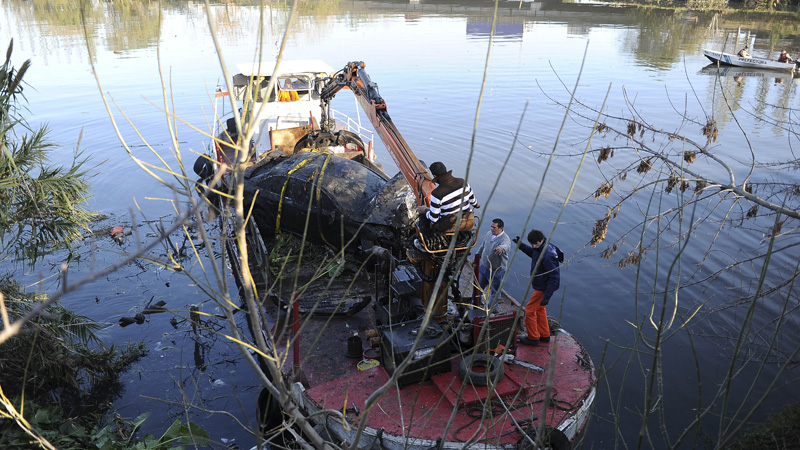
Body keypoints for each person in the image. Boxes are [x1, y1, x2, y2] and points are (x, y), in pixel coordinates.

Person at [514, 229, 561, 346]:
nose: (534, 246)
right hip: (541, 285)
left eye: (536, 244)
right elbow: (533, 253)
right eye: (532, 244)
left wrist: (547, 296)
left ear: (542, 240)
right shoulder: (541, 248)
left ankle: (533, 338)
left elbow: (554, 277)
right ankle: (545, 335)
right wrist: (521, 246)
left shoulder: (548, 256)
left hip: (543, 288)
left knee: (529, 311)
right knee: (540, 309)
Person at [417, 161, 480, 233]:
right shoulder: (463, 182)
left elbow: (434, 219)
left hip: (448, 227)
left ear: (434, 176)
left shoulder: (437, 193)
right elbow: (474, 202)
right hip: (467, 223)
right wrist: (477, 205)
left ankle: (423, 236)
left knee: (423, 213)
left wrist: (425, 210)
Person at [475, 218, 511, 312]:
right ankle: (476, 305)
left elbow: (506, 246)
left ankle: (491, 310)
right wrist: (477, 255)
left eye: (494, 227)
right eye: (491, 226)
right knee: (478, 287)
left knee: (495, 291)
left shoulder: (505, 239)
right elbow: (483, 245)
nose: (491, 229)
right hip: (484, 267)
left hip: (496, 271)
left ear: (501, 228)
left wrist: (501, 249)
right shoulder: (489, 233)